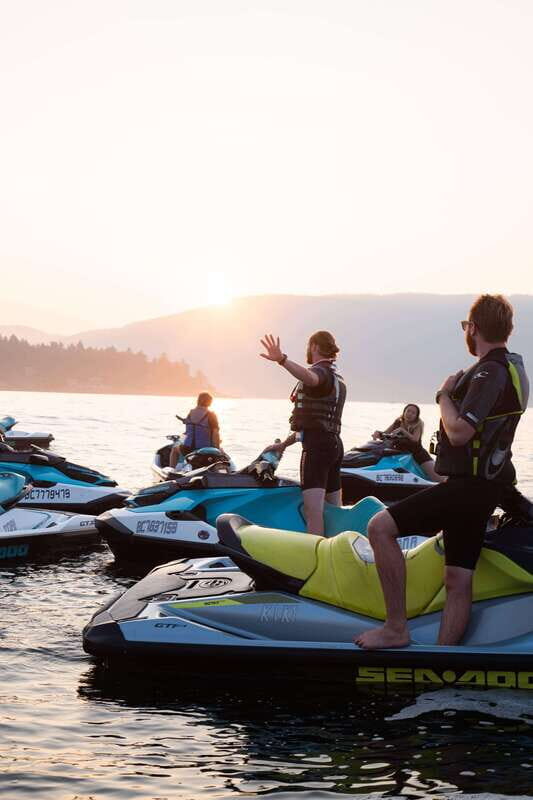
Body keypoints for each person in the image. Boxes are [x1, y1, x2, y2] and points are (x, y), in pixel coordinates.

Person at [355, 294, 529, 650]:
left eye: (467, 326)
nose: (466, 332)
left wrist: (444, 396)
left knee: (379, 527)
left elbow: (460, 432)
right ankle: (444, 655)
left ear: (474, 328)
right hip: (488, 487)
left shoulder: (488, 371)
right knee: (457, 577)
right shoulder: (513, 369)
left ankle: (395, 628)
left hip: (469, 487)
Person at [260, 330, 346, 536]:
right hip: (333, 445)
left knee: (313, 511)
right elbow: (313, 424)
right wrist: (284, 445)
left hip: (317, 449)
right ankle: (338, 549)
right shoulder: (337, 378)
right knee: (335, 510)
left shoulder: (322, 374)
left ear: (315, 346)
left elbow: (310, 377)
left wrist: (282, 359)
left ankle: (315, 558)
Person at [373, 403, 443, 482]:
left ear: (416, 416)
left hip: (418, 455)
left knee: (438, 479)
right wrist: (378, 433)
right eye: (408, 411)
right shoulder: (398, 422)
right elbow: (386, 433)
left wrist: (402, 430)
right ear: (404, 412)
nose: (410, 414)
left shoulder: (418, 424)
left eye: (413, 413)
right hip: (400, 454)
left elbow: (415, 439)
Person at [169, 392, 221, 468]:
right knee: (221, 451)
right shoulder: (211, 414)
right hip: (205, 448)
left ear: (198, 401)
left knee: (174, 449)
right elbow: (215, 434)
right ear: (210, 402)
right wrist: (217, 449)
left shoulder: (191, 413)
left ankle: (171, 470)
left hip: (188, 450)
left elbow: (188, 431)